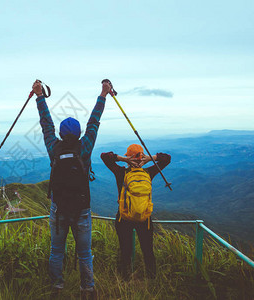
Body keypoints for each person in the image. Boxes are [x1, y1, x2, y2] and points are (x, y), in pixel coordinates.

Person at [32, 80, 111, 298]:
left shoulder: (53, 147)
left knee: (56, 250)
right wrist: (103, 94)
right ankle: (88, 289)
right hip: (82, 210)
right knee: (85, 253)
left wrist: (40, 96)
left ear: (61, 132)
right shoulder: (84, 147)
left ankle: (57, 287)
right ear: (77, 133)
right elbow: (94, 122)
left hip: (58, 210)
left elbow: (45, 124)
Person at [101, 144, 171, 280]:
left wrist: (123, 159)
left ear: (128, 156)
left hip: (124, 218)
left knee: (125, 251)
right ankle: (151, 280)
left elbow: (105, 157)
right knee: (148, 251)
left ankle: (124, 280)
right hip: (144, 219)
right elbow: (167, 159)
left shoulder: (121, 172)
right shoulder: (149, 172)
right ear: (142, 156)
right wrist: (152, 158)